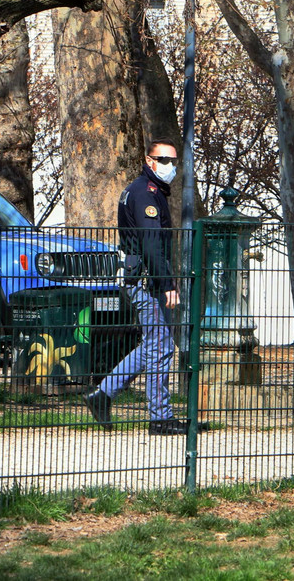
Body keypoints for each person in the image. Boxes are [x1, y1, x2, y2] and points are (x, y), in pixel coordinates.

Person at [85, 139, 209, 436]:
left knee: (155, 343)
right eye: (163, 160)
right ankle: (160, 418)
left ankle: (103, 394)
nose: (170, 166)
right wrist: (166, 283)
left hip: (142, 278)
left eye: (173, 161)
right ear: (149, 160)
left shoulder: (143, 190)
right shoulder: (145, 193)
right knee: (162, 346)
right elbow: (152, 243)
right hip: (146, 280)